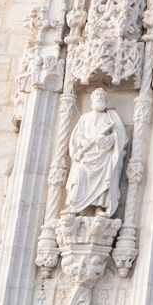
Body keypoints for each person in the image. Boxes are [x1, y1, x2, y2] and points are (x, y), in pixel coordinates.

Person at [63, 88, 127, 216]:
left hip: (103, 155)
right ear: (92, 99)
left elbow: (121, 136)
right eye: (96, 95)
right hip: (86, 155)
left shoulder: (110, 117)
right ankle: (74, 204)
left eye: (101, 96)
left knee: (109, 167)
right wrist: (82, 141)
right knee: (79, 172)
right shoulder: (85, 118)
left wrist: (110, 139)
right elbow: (77, 135)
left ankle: (100, 206)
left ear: (105, 100)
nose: (99, 97)